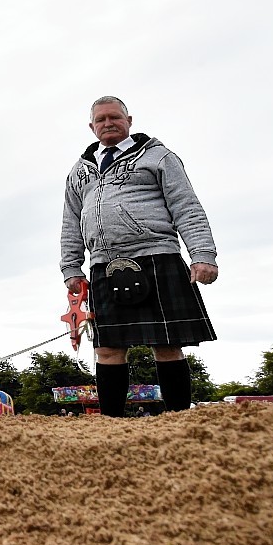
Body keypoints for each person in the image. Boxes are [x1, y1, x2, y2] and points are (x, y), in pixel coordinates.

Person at [60, 96, 219, 416]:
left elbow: (186, 205)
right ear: (92, 127)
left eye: (115, 117)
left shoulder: (158, 156)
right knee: (106, 348)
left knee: (167, 344)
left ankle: (179, 420)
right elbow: (70, 220)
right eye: (101, 119)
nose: (108, 123)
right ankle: (111, 424)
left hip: (157, 256)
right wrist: (71, 267)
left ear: (129, 121)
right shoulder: (79, 170)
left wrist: (202, 253)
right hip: (104, 263)